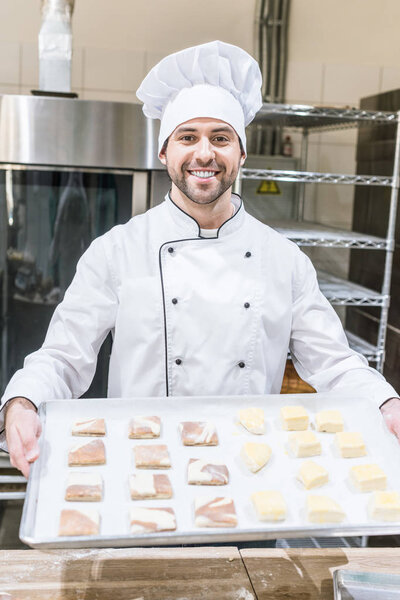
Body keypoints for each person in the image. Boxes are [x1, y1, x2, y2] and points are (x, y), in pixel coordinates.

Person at [2, 41, 400, 479]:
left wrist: (386, 402)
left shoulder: (284, 261)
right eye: (187, 137)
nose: (205, 153)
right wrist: (22, 402)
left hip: (251, 474)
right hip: (145, 472)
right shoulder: (117, 251)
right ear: (164, 153)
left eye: (221, 138)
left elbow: (334, 363)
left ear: (241, 154)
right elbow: (63, 356)